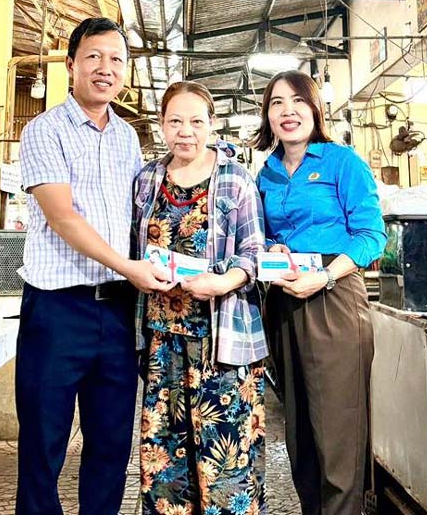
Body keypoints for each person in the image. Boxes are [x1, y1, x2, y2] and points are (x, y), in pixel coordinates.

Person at [15, 17, 172, 515]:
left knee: (110, 448)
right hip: (58, 310)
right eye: (94, 57)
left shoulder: (128, 137)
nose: (106, 69)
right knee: (44, 446)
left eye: (116, 60)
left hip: (120, 312)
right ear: (70, 66)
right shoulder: (43, 130)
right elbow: (62, 216)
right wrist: (129, 266)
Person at [252, 70, 386, 515]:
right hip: (285, 301)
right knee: (300, 433)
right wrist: (272, 250)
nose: (287, 112)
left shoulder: (341, 162)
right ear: (267, 115)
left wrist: (326, 276)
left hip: (334, 297)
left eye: (297, 101)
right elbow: (262, 234)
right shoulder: (266, 173)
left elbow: (370, 236)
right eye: (276, 103)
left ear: (315, 109)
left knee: (337, 431)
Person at [132, 81, 268, 515]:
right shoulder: (148, 178)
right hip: (161, 339)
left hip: (220, 340)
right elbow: (134, 249)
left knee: (224, 456)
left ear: (212, 125)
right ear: (161, 125)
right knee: (166, 456)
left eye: (195, 121)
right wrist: (140, 273)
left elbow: (253, 254)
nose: (185, 131)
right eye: (175, 121)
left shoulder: (235, 180)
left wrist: (224, 282)